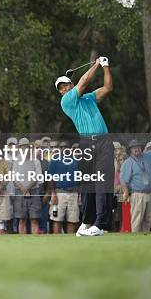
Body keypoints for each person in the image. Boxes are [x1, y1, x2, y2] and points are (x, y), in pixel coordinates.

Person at [56, 56, 114, 237]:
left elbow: (107, 88)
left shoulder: (88, 98)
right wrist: (96, 63)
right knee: (87, 185)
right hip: (86, 143)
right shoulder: (67, 102)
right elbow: (84, 81)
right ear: (60, 92)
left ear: (70, 84)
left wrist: (105, 67)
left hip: (103, 142)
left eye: (66, 85)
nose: (65, 89)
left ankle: (99, 224)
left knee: (102, 183)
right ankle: (87, 221)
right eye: (61, 88)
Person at [120, 129, 151, 233]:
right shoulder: (128, 162)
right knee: (137, 220)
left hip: (148, 193)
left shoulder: (146, 156)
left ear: (141, 148)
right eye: (134, 148)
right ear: (131, 150)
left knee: (147, 220)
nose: (137, 149)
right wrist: (125, 192)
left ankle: (144, 241)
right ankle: (135, 242)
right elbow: (123, 179)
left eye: (138, 147)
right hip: (137, 194)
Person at [12, 138, 43, 234]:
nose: (24, 149)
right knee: (21, 220)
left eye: (26, 147)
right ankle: (22, 245)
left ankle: (35, 245)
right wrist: (23, 189)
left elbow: (37, 177)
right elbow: (14, 179)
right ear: (20, 148)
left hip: (34, 192)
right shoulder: (16, 161)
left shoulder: (35, 161)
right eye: (22, 147)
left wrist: (27, 188)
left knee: (34, 219)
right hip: (20, 192)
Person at [48, 142, 80, 234]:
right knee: (57, 219)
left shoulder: (75, 160)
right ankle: (56, 243)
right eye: (61, 147)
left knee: (72, 220)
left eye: (65, 146)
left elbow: (80, 178)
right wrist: (53, 194)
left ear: (69, 148)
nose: (63, 148)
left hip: (73, 193)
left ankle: (70, 243)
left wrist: (79, 194)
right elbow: (50, 178)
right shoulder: (55, 160)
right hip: (59, 193)